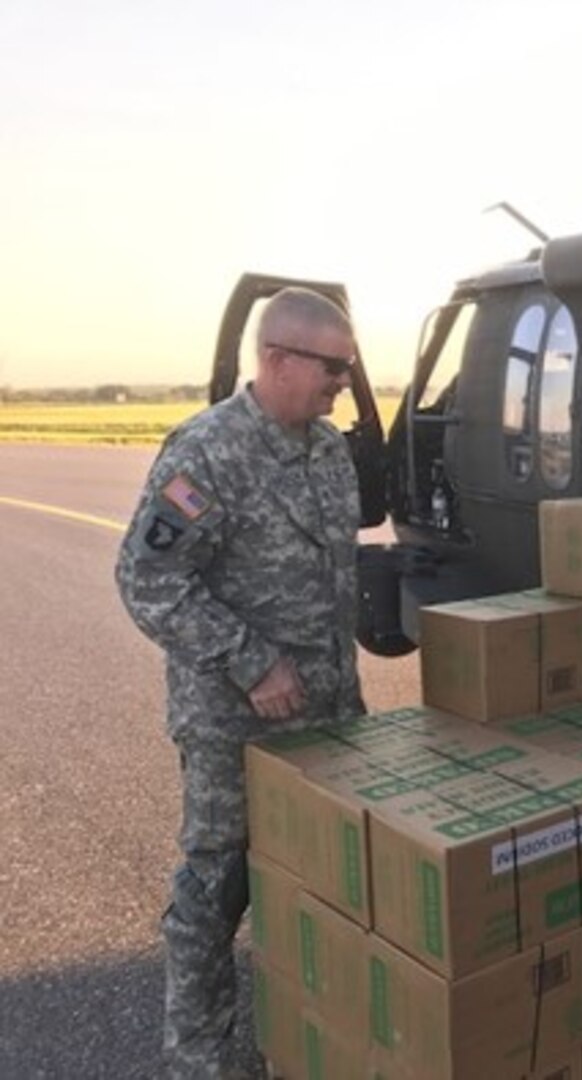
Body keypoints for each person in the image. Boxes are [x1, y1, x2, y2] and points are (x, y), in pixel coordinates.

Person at [115, 287, 366, 1078]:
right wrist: (251, 659)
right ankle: (198, 1057)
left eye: (349, 370)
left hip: (328, 715)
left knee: (321, 882)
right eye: (332, 368)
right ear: (277, 359)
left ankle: (306, 1032)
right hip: (233, 721)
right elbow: (145, 579)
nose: (342, 385)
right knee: (216, 890)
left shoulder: (327, 448)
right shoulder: (207, 452)